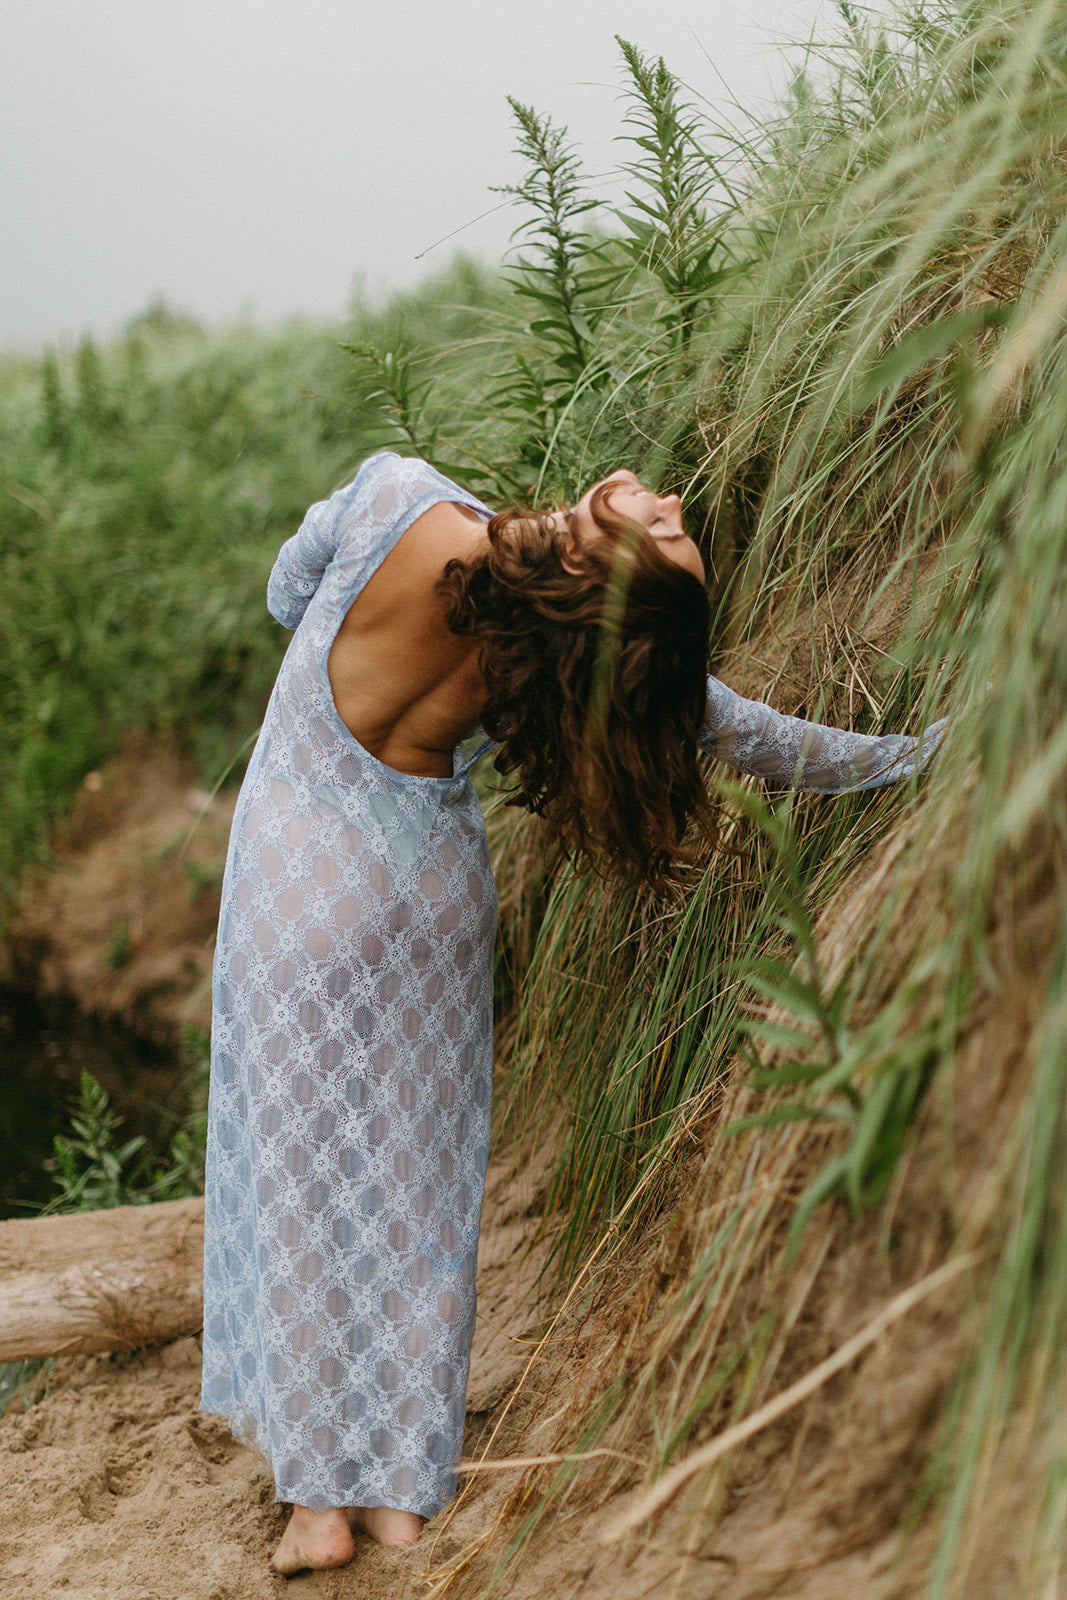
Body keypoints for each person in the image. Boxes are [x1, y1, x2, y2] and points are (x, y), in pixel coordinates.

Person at [199, 452, 942, 1575]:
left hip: (301, 864)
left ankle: (318, 1506)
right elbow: (754, 736)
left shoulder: (401, 496)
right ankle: (402, 1488)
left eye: (661, 526)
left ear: (595, 552)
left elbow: (284, 588)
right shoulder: (558, 658)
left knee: (297, 1170)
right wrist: (914, 756)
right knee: (422, 1171)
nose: (673, 501)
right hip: (430, 883)